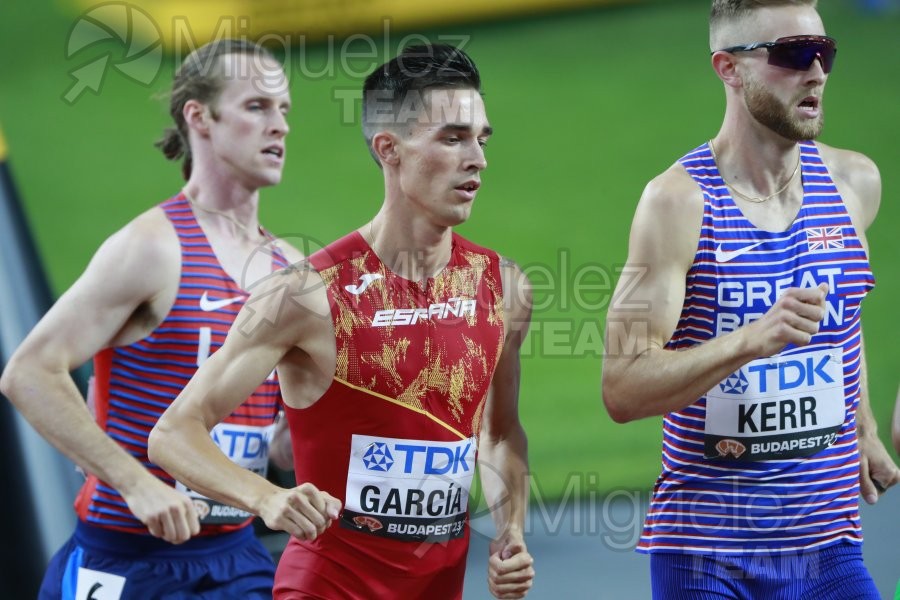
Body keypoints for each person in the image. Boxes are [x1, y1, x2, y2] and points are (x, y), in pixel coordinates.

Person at [149, 43, 535, 599]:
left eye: (481, 138)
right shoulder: (305, 296)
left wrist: (510, 532)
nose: (477, 158)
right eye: (452, 138)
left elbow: (498, 434)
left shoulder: (502, 286)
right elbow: (173, 433)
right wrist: (267, 497)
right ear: (389, 150)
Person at [601, 1, 900, 597]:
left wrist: (864, 425)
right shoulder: (677, 204)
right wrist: (748, 341)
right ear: (729, 69)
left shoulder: (854, 185)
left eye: (824, 53)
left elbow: (844, 322)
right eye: (792, 55)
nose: (815, 72)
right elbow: (622, 387)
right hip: (708, 557)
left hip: (829, 550)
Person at [0, 38, 302, 598]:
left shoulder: (291, 270)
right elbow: (29, 372)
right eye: (257, 107)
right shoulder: (153, 248)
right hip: (127, 557)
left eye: (284, 109)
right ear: (200, 117)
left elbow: (284, 444)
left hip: (238, 557)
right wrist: (135, 482)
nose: (280, 125)